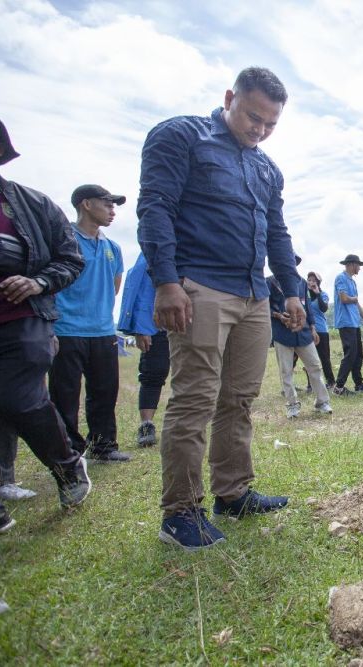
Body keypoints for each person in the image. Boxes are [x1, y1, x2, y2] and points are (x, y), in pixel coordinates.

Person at [138, 67, 298, 550]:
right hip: (200, 287)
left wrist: (290, 288)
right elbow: (155, 207)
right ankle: (181, 512)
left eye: (271, 124)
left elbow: (276, 232)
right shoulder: (181, 135)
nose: (260, 130)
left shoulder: (267, 167)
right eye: (253, 117)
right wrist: (166, 282)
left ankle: (233, 491)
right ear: (229, 98)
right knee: (194, 399)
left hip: (253, 295)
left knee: (239, 399)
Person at [0, 108, 92, 539]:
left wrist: (37, 281)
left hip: (21, 320)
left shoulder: (31, 203)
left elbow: (70, 259)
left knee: (18, 399)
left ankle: (67, 467)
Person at [49, 184, 127, 462]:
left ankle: (104, 447)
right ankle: (69, 452)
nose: (112, 210)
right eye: (106, 204)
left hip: (103, 331)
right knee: (65, 396)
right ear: (86, 204)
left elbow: (115, 286)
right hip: (66, 329)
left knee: (105, 392)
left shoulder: (112, 247)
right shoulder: (62, 241)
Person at [117, 252, 170, 447]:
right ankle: (146, 424)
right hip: (158, 323)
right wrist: (141, 326)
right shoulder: (155, 247)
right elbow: (140, 285)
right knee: (153, 372)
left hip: (192, 321)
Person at [268, 260, 333, 418]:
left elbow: (307, 307)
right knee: (286, 370)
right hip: (282, 333)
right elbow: (264, 306)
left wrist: (312, 327)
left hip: (303, 332)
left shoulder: (301, 282)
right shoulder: (269, 282)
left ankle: (322, 402)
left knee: (315, 366)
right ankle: (292, 405)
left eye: (293, 262)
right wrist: (277, 315)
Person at [333, 254, 363, 395]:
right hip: (345, 322)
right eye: (358, 266)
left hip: (354, 322)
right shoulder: (341, 278)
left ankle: (359, 383)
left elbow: (356, 304)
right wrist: (354, 298)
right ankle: (338, 387)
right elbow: (344, 299)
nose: (359, 269)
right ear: (352, 264)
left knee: (358, 355)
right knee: (350, 354)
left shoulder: (353, 282)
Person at [306, 272, 336, 389]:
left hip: (321, 331)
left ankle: (331, 382)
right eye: (309, 280)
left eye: (314, 280)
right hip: (308, 331)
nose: (311, 282)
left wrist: (317, 293)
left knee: (324, 358)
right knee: (309, 359)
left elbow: (324, 308)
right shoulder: (304, 296)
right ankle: (311, 384)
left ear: (318, 283)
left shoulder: (323, 295)